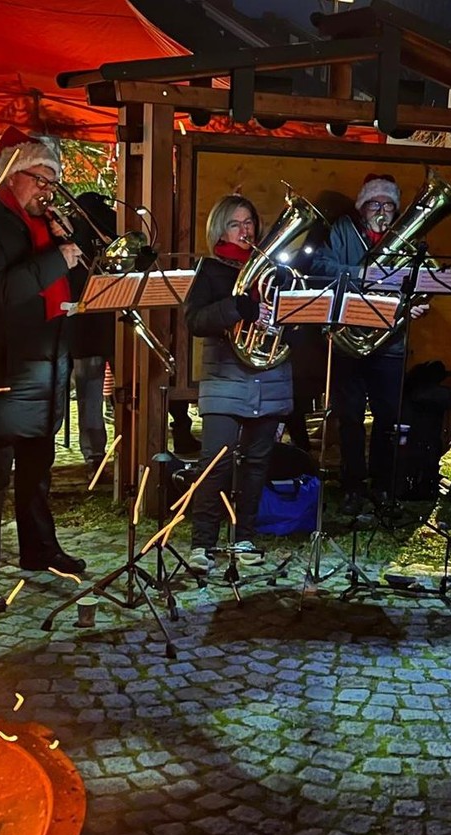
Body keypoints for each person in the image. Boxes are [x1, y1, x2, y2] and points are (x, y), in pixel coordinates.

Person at [0, 128, 87, 613]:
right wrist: (58, 258)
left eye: (54, 180)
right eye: (41, 178)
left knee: (38, 470)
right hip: (1, 369)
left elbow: (63, 285)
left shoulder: (43, 225)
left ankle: (39, 549)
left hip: (45, 362)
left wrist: (71, 252)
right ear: (12, 173)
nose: (48, 190)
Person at [308, 173, 427, 513]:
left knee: (389, 419)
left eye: (388, 205)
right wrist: (360, 274)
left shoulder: (407, 236)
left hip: (390, 343)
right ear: (362, 207)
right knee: (351, 417)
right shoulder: (342, 230)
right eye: (374, 204)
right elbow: (318, 265)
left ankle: (383, 487)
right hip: (348, 339)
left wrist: (418, 302)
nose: (382, 210)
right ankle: (352, 486)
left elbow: (425, 280)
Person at [184, 194, 291, 569]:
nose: (244, 231)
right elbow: (194, 321)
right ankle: (202, 544)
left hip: (270, 376)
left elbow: (296, 318)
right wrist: (239, 308)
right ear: (220, 228)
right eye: (235, 223)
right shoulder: (211, 270)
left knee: (258, 462)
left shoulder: (275, 270)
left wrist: (279, 320)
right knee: (215, 462)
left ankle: (243, 538)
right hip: (224, 377)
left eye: (249, 223)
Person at [64, 191, 119, 469]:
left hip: (82, 321)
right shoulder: (116, 222)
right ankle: (126, 443)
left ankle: (94, 453)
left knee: (90, 391)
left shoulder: (69, 228)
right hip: (115, 318)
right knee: (124, 387)